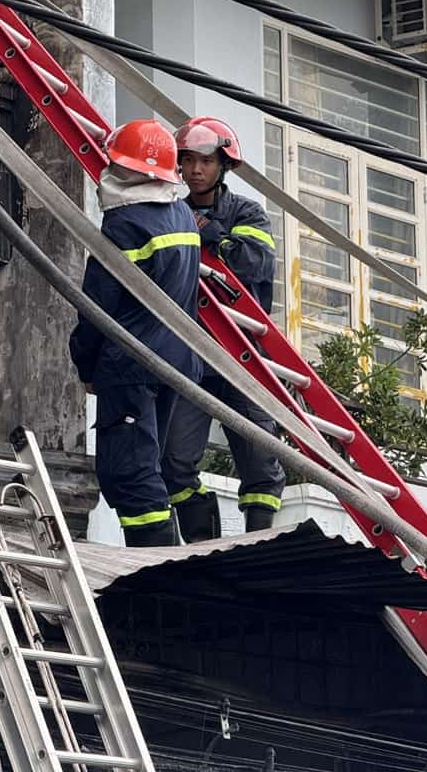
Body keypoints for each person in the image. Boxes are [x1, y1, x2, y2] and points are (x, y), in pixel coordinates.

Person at [69, 119, 204, 547]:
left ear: (128, 170)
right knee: (152, 466)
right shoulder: (181, 214)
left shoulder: (126, 223)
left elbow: (98, 307)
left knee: (130, 472)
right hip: (176, 363)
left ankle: (153, 568)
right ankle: (168, 560)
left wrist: (85, 364)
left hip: (131, 366)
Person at [161, 117, 286, 540]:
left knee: (261, 461)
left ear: (224, 165)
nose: (196, 170)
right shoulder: (170, 214)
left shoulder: (247, 213)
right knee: (174, 461)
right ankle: (204, 546)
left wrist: (211, 234)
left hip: (241, 354)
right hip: (191, 354)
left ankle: (257, 545)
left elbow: (255, 263)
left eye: (206, 161)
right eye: (188, 161)